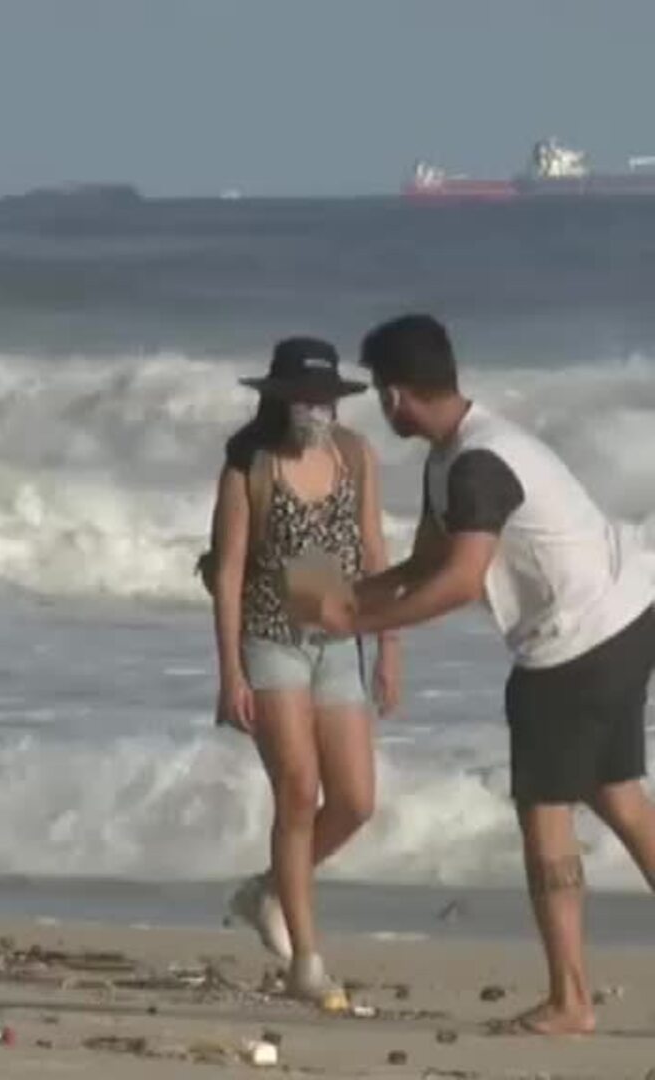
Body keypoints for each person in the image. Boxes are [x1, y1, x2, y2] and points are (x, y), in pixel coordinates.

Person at [298, 313, 655, 1035]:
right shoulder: (456, 455)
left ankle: (570, 1000)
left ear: (397, 395)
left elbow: (462, 582)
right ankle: (571, 995)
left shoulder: (478, 463)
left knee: (545, 817)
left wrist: (359, 626)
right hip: (630, 609)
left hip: (577, 637)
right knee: (619, 796)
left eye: (378, 394)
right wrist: (347, 599)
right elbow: (427, 563)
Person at [203, 337, 400, 1003]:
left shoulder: (355, 457)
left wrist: (391, 649)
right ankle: (306, 963)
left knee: (355, 801)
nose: (315, 411)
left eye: (325, 399)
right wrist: (229, 672)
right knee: (298, 791)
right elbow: (228, 575)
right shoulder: (248, 466)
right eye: (302, 400)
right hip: (271, 639)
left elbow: (373, 550)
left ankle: (267, 891)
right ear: (279, 401)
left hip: (339, 640)